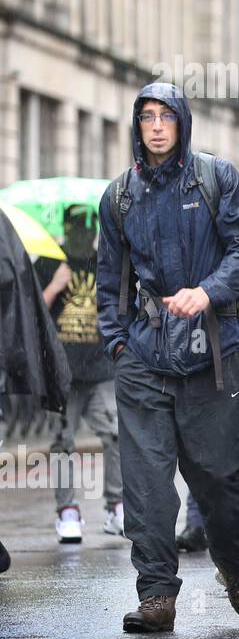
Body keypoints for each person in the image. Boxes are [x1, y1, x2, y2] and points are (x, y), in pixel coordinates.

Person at [96, 82, 239, 633]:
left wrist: (209, 291)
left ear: (183, 123)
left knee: (219, 482)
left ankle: (236, 567)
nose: (157, 126)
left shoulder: (217, 179)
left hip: (210, 356)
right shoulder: (119, 196)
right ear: (137, 126)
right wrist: (118, 344)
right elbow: (108, 280)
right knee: (145, 487)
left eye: (167, 116)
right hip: (143, 358)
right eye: (147, 118)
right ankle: (156, 595)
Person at [37, 206, 124, 542]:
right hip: (61, 371)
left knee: (116, 434)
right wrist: (55, 286)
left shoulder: (106, 261)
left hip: (100, 368)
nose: (84, 233)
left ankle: (115, 505)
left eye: (89, 225)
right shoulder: (48, 262)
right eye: (77, 226)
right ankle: (67, 510)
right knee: (62, 442)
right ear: (66, 227)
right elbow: (30, 314)